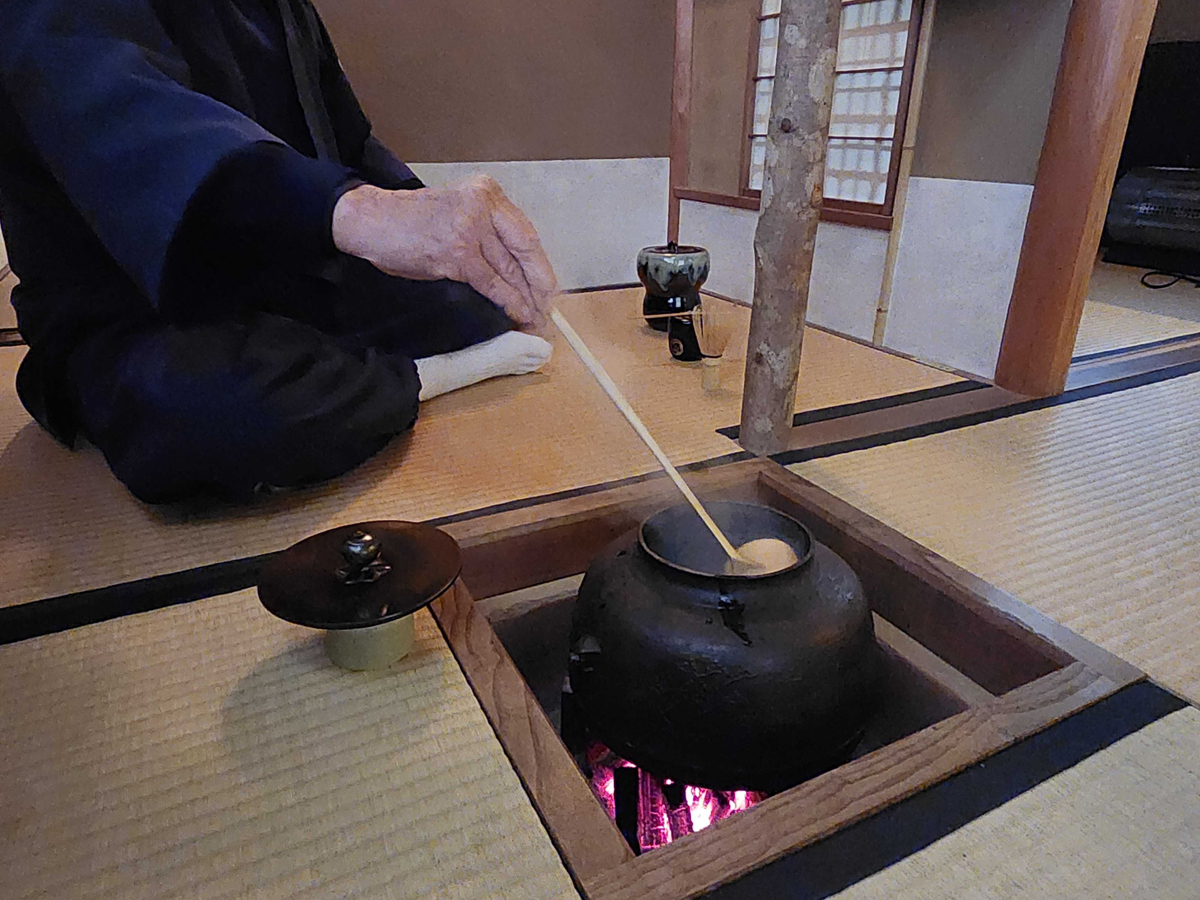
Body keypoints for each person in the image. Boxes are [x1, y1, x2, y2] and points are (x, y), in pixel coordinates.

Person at [0, 0, 557, 503]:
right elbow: (132, 129)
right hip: (133, 309)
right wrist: (360, 213)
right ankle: (415, 380)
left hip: (285, 270)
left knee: (466, 305)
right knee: (224, 409)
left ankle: (365, 380)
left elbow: (350, 143)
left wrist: (434, 223)